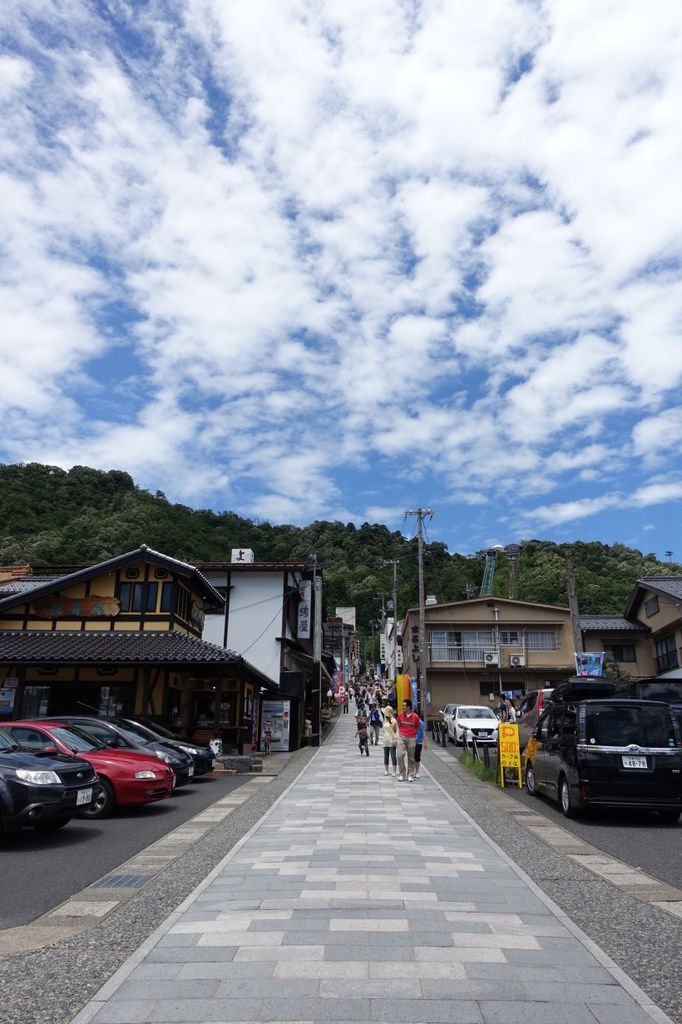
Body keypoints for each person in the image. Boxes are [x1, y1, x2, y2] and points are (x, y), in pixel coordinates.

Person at [396, 697, 421, 781]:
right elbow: (399, 724)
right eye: (402, 705)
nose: (402, 707)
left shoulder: (415, 717)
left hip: (411, 737)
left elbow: (417, 727)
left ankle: (410, 774)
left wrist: (413, 734)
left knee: (411, 757)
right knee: (399, 755)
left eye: (404, 706)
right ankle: (402, 774)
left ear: (409, 707)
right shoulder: (400, 715)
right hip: (402, 736)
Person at [381, 706, 398, 775]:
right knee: (386, 755)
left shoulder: (394, 720)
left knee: (393, 755)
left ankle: (394, 771)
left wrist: (391, 725)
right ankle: (386, 770)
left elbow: (395, 731)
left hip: (392, 740)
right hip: (385, 739)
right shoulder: (384, 720)